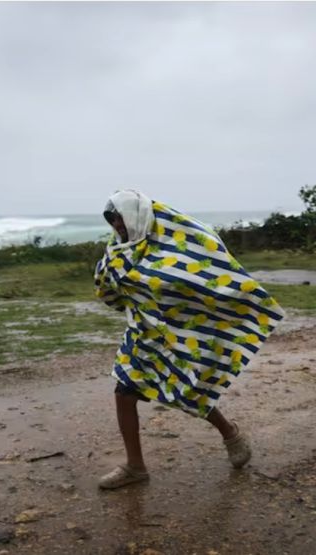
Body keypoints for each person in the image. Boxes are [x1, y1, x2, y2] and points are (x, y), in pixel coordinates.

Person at [93, 190, 285, 489]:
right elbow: (110, 288)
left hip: (180, 333)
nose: (116, 223)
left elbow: (206, 277)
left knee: (188, 389)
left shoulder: (179, 246)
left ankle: (230, 433)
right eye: (111, 218)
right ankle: (135, 467)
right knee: (124, 393)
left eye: (119, 216)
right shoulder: (118, 251)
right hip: (143, 335)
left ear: (135, 214)